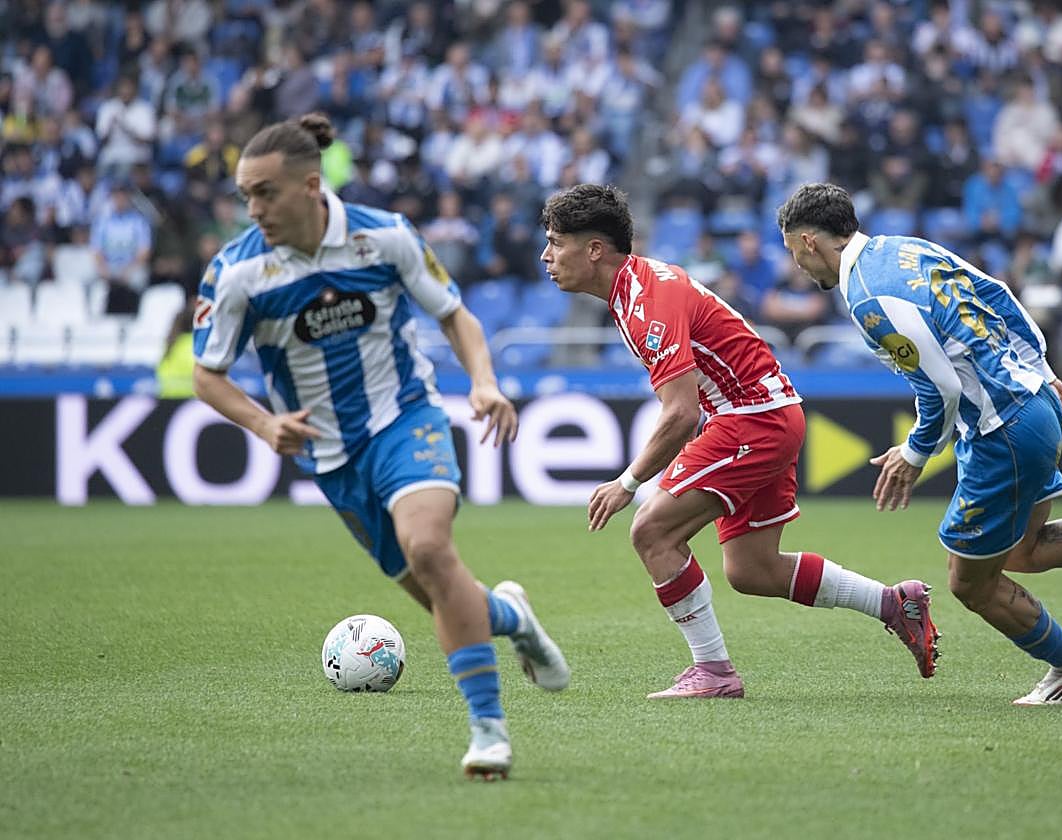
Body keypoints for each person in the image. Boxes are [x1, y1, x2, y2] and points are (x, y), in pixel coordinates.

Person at [192, 113, 568, 779]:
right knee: (446, 598)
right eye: (245, 195)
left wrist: (483, 382)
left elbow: (455, 314)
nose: (254, 210)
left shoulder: (385, 237)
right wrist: (261, 424)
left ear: (312, 185)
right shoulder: (238, 272)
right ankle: (514, 616)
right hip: (331, 459)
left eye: (266, 193)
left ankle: (489, 734)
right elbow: (206, 373)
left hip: (406, 420)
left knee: (429, 549)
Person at [776, 182, 1062, 706]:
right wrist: (1043, 372)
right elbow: (998, 292)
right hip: (1034, 401)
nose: (797, 265)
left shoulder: (866, 294)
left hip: (1002, 430)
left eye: (794, 251)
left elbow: (942, 389)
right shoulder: (908, 248)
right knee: (1023, 548)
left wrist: (914, 454)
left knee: (969, 583)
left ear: (810, 242)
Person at [539, 184, 939, 699]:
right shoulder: (637, 289)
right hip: (766, 413)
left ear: (594, 249)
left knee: (651, 532)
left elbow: (679, 413)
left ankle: (714, 673)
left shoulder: (646, 301)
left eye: (555, 241)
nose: (546, 256)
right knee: (753, 570)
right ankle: (893, 603)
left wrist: (627, 481)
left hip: (751, 418)